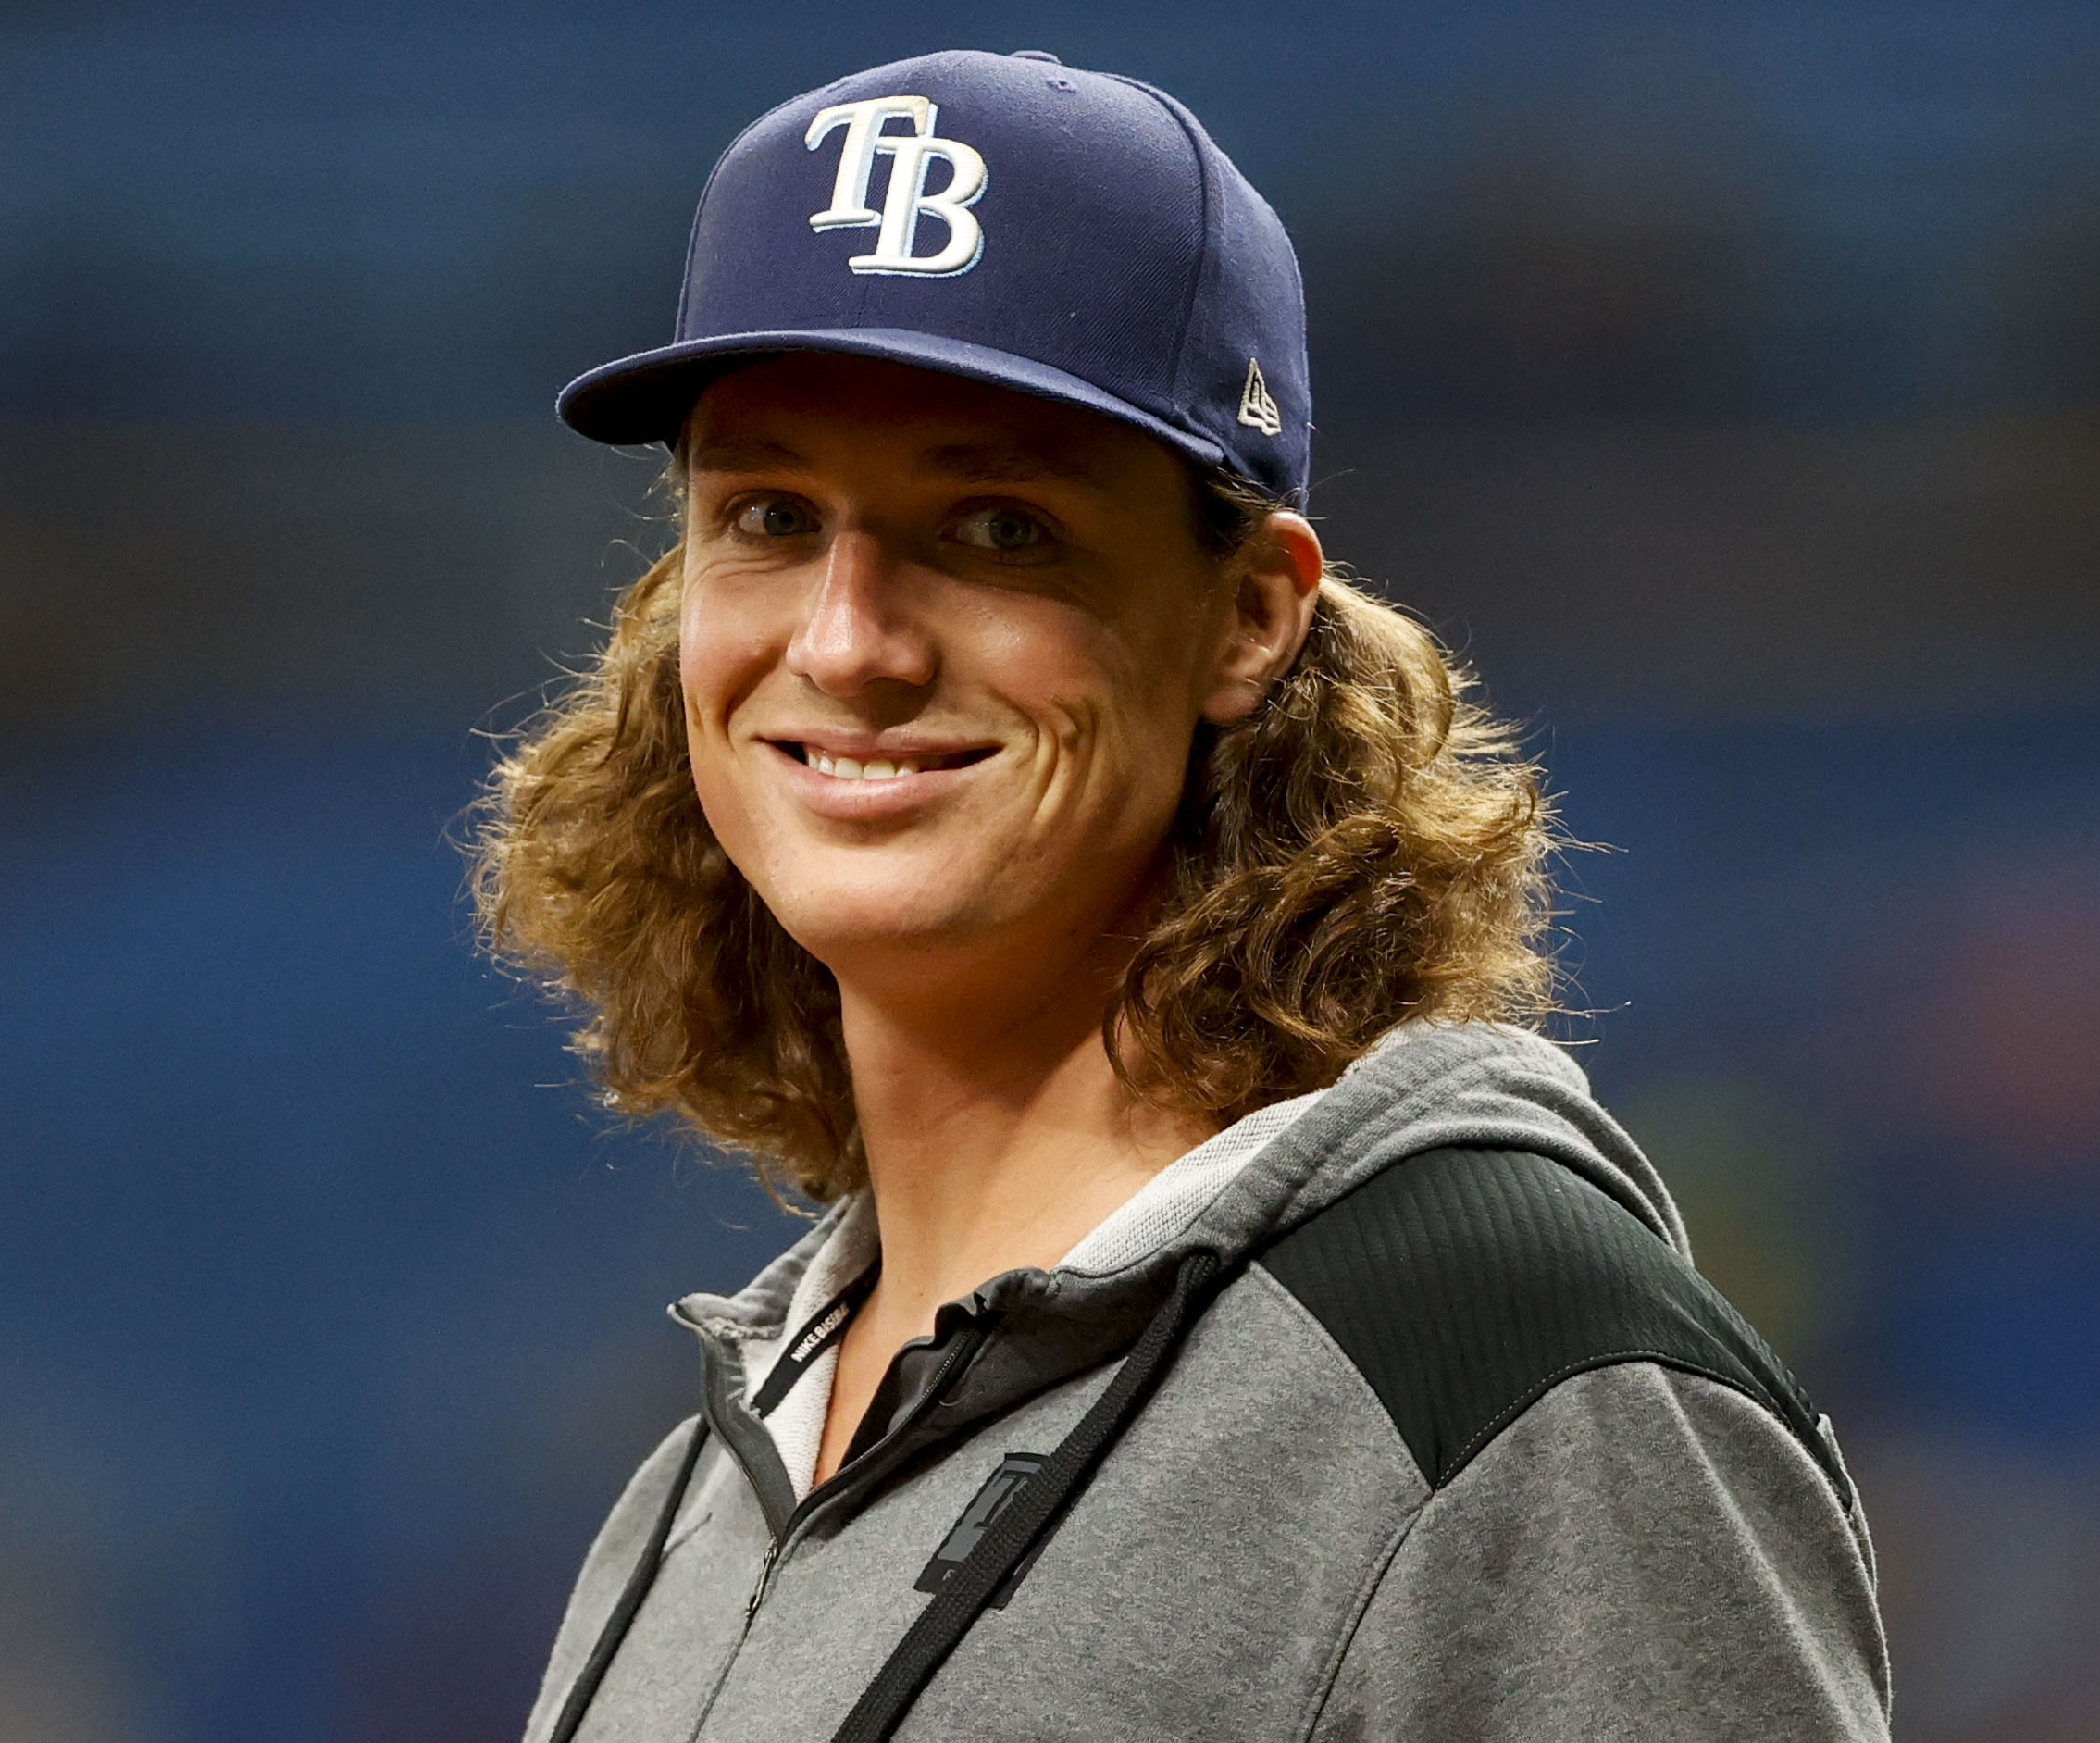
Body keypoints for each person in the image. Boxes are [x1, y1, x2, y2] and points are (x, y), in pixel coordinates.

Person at [474, 47, 1892, 1743]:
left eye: (998, 527)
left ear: (1248, 618)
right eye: (768, 514)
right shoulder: (700, 1493)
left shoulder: (1523, 1386)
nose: (848, 641)